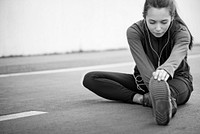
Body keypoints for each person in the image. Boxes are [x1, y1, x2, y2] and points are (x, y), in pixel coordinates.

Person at [82, 0, 193, 125]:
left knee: (166, 91)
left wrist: (166, 69)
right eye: (152, 22)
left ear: (172, 17)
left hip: (177, 81)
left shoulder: (182, 33)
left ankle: (164, 99)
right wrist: (153, 85)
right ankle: (144, 99)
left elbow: (175, 57)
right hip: (143, 82)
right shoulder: (134, 32)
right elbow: (143, 66)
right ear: (144, 16)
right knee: (91, 78)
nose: (158, 28)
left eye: (164, 22)